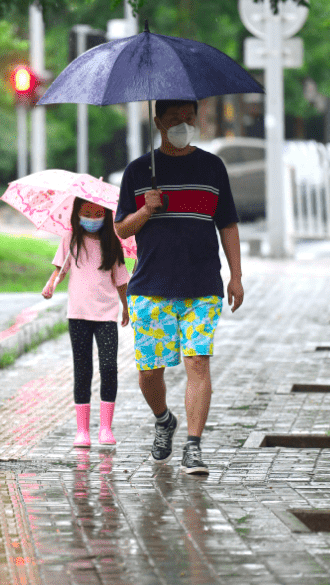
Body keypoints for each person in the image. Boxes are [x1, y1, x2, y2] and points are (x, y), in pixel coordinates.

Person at [114, 99, 244, 476]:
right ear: (157, 122)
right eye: (174, 119)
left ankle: (193, 446)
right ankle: (163, 419)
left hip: (202, 285)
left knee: (198, 362)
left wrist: (235, 275)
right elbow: (121, 229)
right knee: (150, 372)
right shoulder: (139, 171)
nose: (183, 124)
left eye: (189, 118)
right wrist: (145, 210)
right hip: (151, 287)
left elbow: (228, 224)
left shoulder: (212, 167)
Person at [43, 197, 130, 448]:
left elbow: (121, 280)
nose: (92, 218)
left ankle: (105, 428)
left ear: (106, 215)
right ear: (77, 214)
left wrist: (126, 307)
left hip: (106, 316)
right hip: (78, 315)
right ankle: (82, 431)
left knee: (109, 367)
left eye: (97, 213)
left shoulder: (113, 243)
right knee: (82, 369)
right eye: (86, 212)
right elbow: (60, 268)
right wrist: (50, 285)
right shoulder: (70, 240)